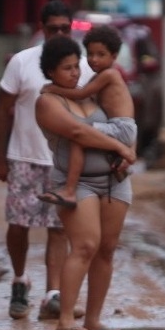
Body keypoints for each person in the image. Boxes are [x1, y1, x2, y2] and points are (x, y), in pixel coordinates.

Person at [0, 0, 93, 321]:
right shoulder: (22, 63)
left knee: (58, 229)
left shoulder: (83, 66)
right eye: (53, 29)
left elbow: (90, 116)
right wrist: (0, 158)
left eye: (65, 28)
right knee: (18, 225)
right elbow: (1, 111)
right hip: (24, 157)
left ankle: (52, 294)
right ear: (42, 28)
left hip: (63, 163)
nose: (60, 33)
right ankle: (20, 280)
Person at [35, 35, 137, 330]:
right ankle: (66, 319)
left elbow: (125, 122)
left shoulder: (89, 95)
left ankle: (93, 319)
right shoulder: (47, 101)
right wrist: (121, 148)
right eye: (66, 68)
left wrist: (127, 152)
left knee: (106, 249)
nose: (75, 73)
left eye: (76, 67)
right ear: (51, 71)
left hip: (114, 181)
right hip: (78, 182)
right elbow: (78, 132)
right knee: (85, 246)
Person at [38, 24, 136, 208]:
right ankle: (71, 188)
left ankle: (69, 190)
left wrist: (52, 88)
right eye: (90, 54)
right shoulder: (98, 78)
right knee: (82, 134)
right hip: (123, 128)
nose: (93, 60)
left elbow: (81, 95)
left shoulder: (110, 75)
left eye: (100, 54)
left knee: (81, 136)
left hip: (122, 128)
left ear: (114, 56)